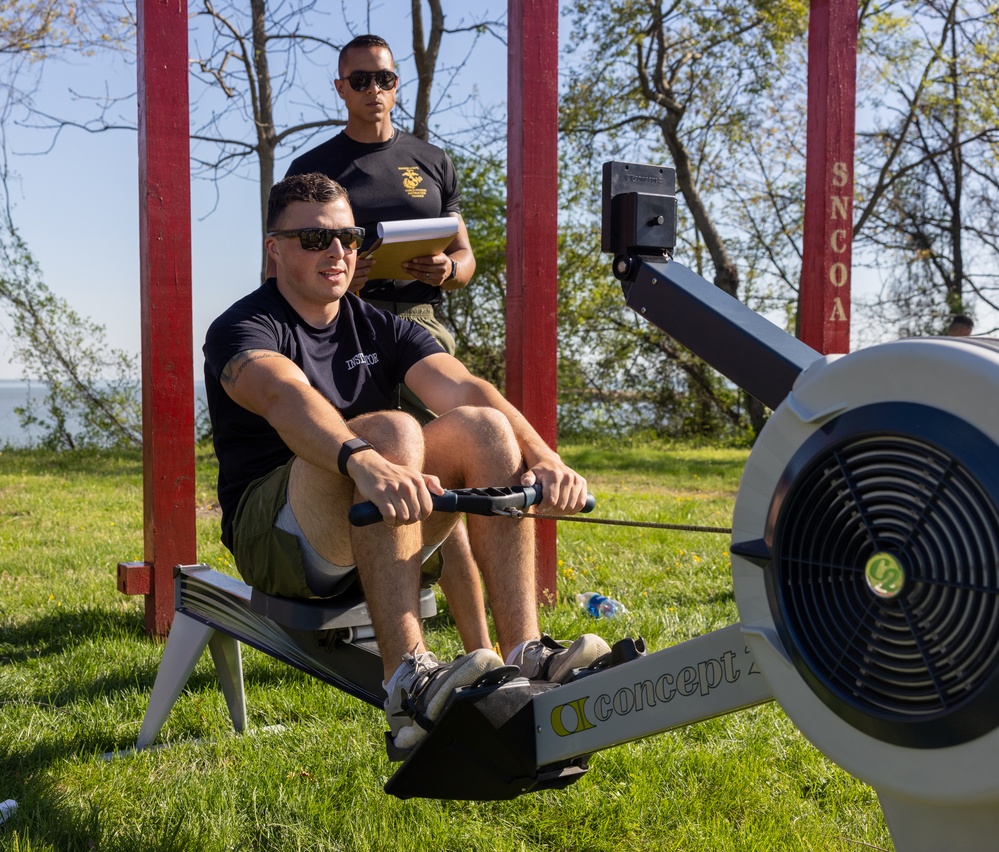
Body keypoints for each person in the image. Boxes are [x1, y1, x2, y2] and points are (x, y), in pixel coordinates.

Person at [204, 172, 610, 756]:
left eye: (348, 237)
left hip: (378, 523)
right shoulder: (243, 327)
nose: (337, 251)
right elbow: (282, 396)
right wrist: (361, 458)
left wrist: (545, 457)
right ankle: (406, 681)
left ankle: (527, 654)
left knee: (485, 428)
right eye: (315, 239)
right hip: (279, 541)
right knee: (394, 428)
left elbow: (465, 388)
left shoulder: (378, 325)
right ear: (275, 249)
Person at [283, 34, 488, 652]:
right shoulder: (314, 169)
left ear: (398, 85)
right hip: (345, 325)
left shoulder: (432, 160)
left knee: (445, 487)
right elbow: (289, 261)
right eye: (361, 80)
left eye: (386, 78)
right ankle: (388, 642)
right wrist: (343, 276)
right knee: (377, 470)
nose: (375, 90)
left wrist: (447, 270)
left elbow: (465, 254)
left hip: (421, 326)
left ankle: (482, 648)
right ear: (340, 88)